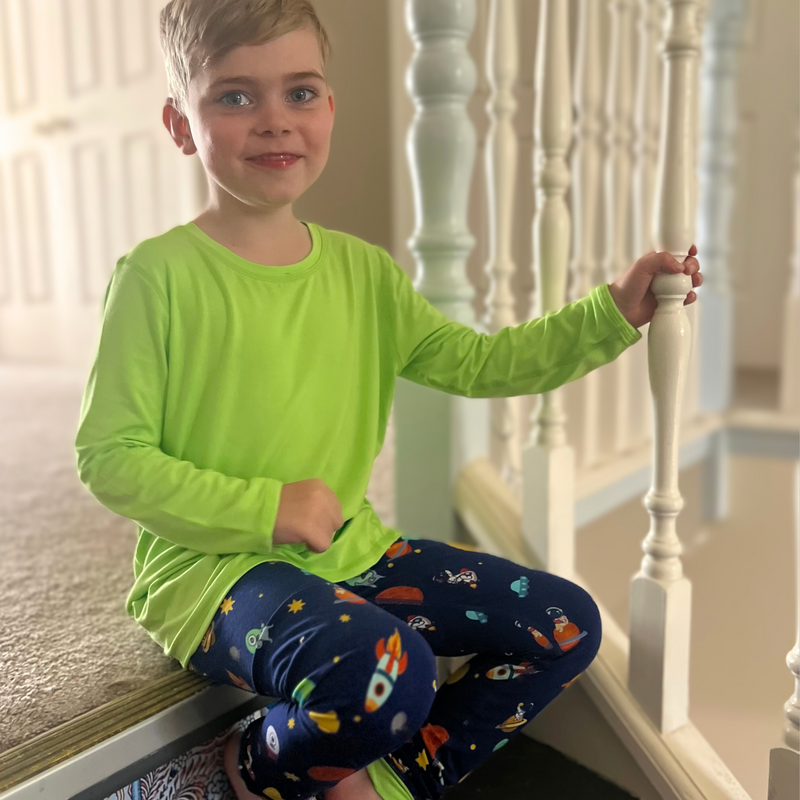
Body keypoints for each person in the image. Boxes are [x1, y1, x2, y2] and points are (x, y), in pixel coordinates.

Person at [73, 1, 702, 799]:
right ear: (180, 123)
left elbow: (480, 363)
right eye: (235, 97)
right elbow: (108, 459)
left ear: (329, 107)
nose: (275, 122)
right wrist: (265, 507)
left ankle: (380, 785)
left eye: (300, 93)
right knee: (389, 671)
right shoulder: (156, 277)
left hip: (352, 551)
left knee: (568, 625)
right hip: (210, 576)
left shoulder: (365, 274)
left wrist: (612, 311)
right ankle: (236, 770)